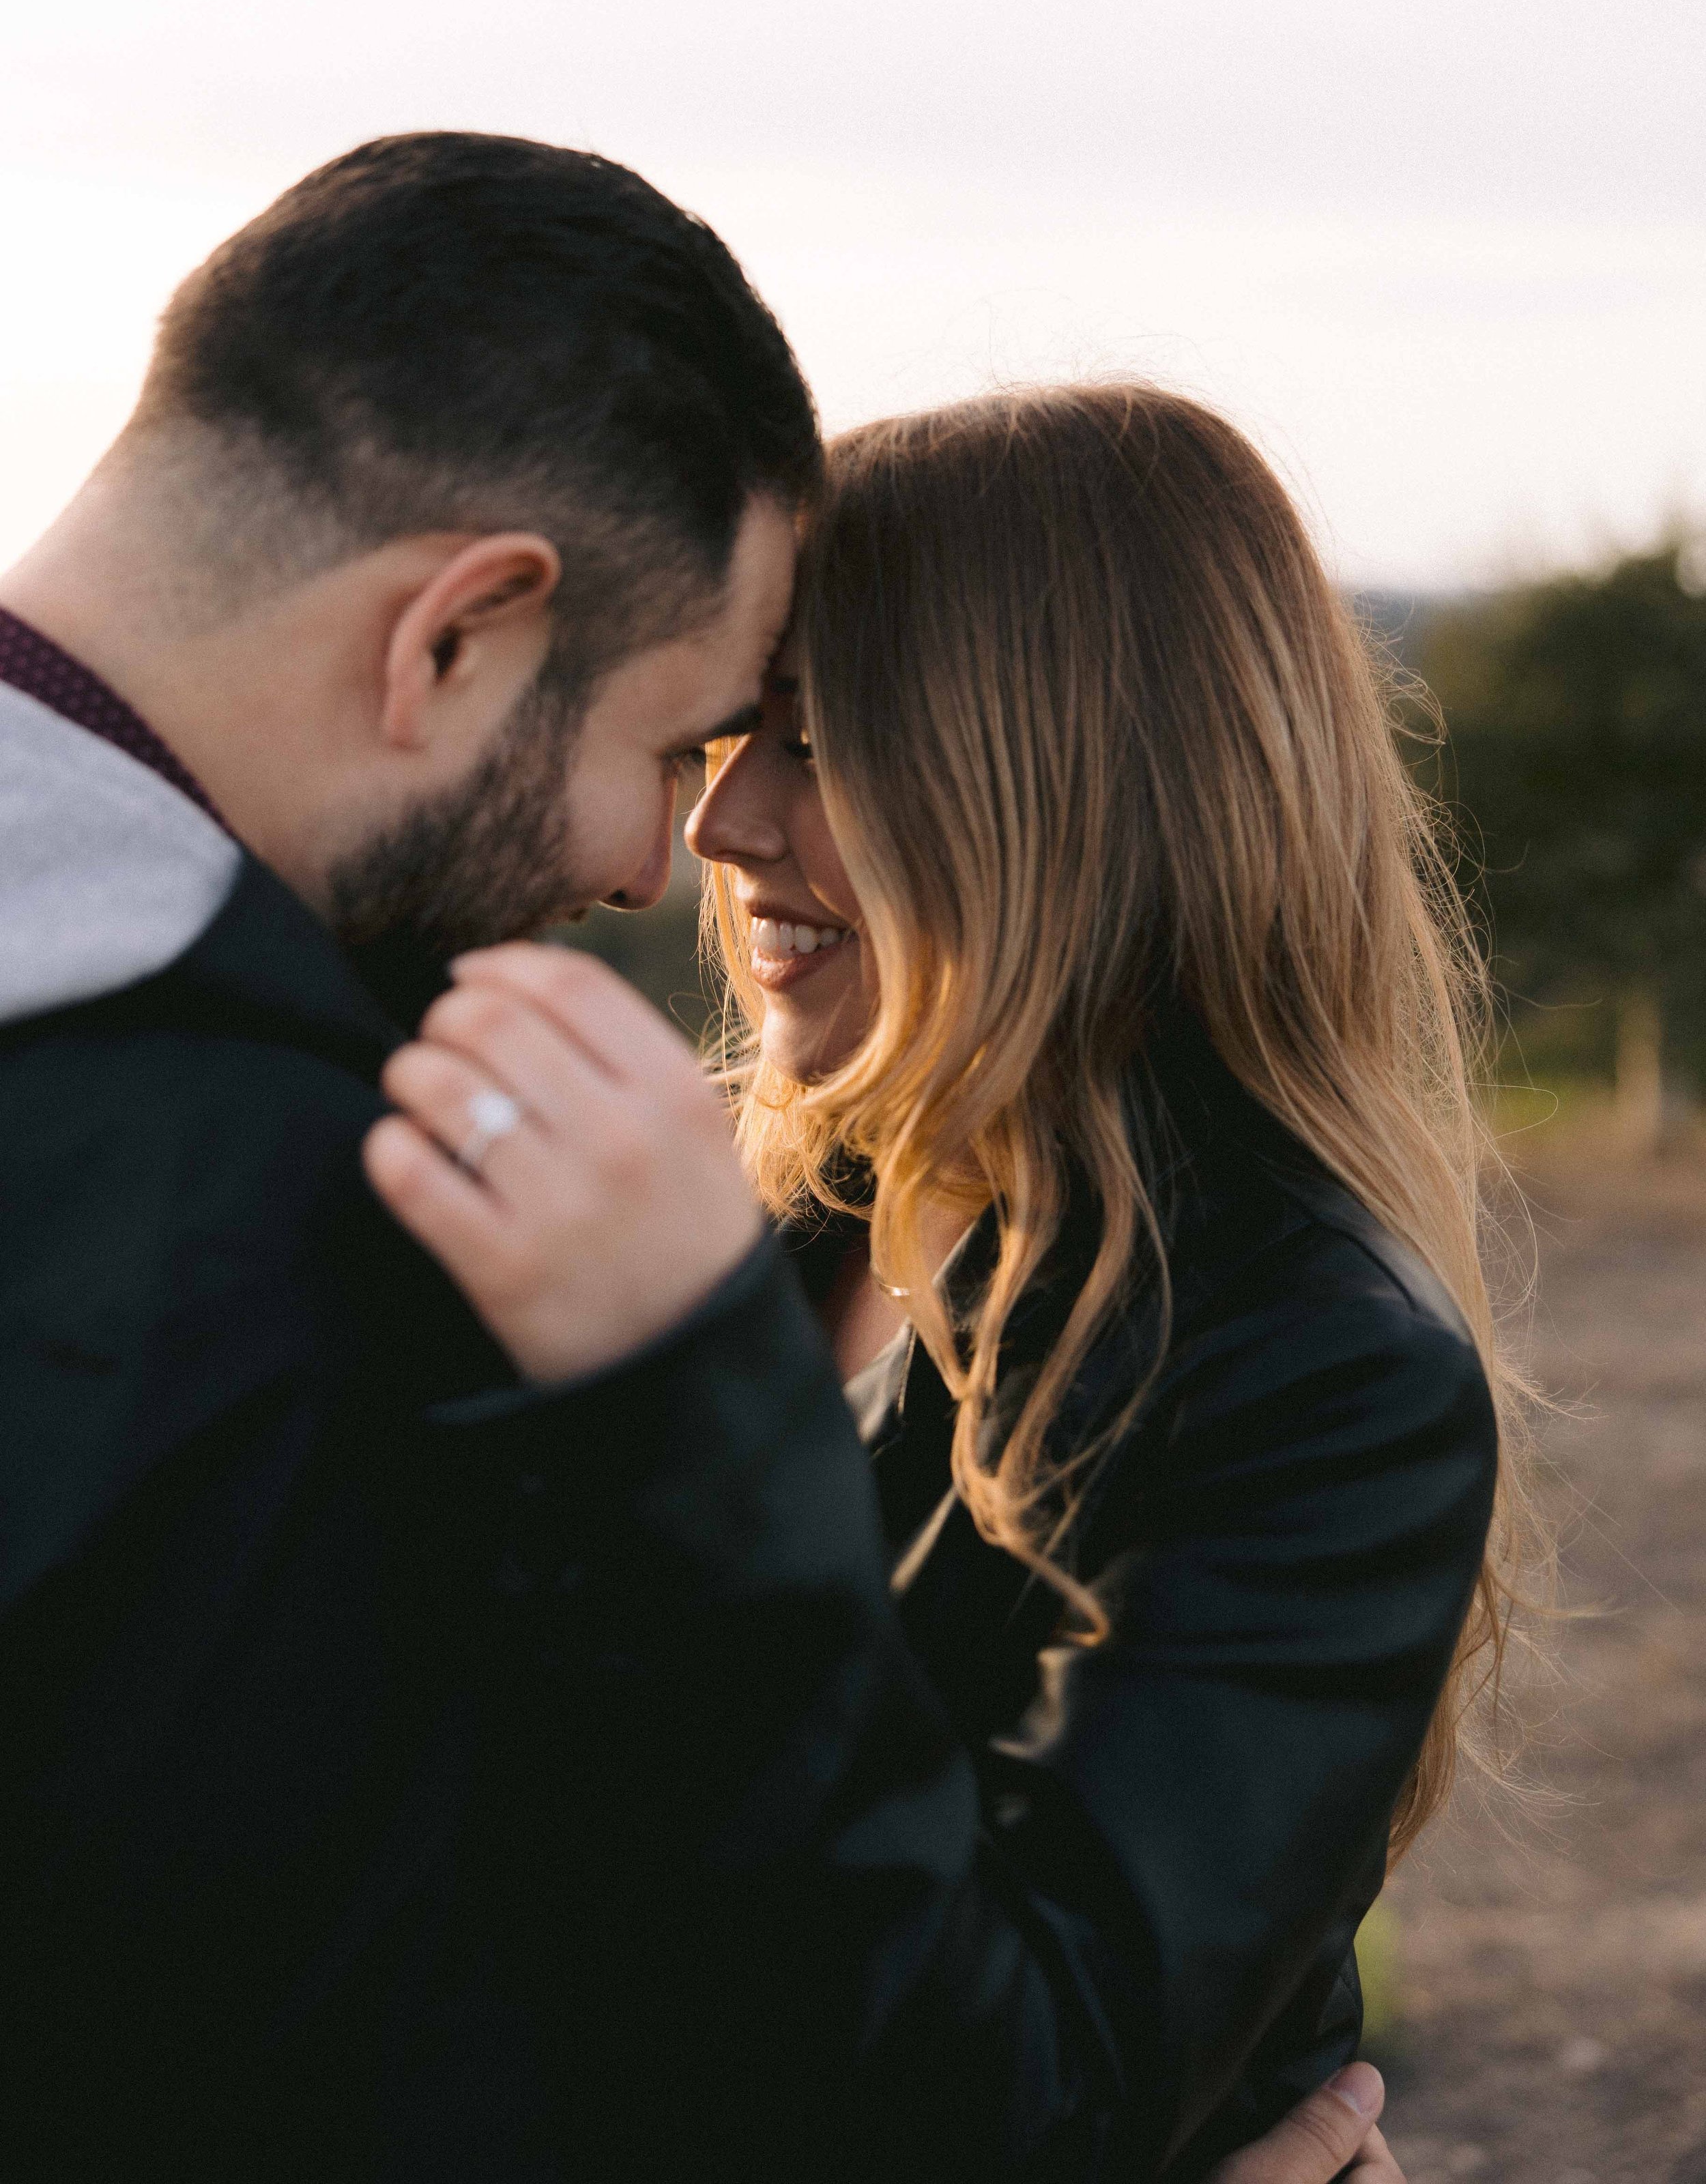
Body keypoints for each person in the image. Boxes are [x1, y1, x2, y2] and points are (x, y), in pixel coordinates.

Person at [0, 139, 1393, 2184]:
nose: (659, 862)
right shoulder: (263, 1195)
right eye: (682, 745)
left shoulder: (1261, 1340)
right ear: (454, 637)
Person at [369, 387, 1522, 2176]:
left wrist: (673, 1420)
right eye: (735, 732)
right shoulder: (742, 1223)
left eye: (821, 747)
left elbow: (1015, 2100)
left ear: (1073, 786)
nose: (722, 825)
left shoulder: (1304, 1367)